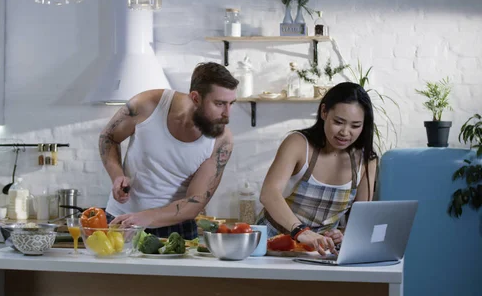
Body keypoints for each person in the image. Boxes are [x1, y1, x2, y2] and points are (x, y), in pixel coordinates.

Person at [98, 62, 238, 240]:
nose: (227, 113)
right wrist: (117, 176)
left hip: (176, 231)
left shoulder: (222, 141)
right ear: (195, 98)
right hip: (122, 222)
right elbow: (108, 137)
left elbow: (195, 201)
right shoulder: (148, 105)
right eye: (219, 104)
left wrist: (144, 218)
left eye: (231, 103)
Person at [256, 82, 378, 256]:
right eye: (338, 122)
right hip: (273, 243)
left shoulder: (366, 160)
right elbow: (269, 194)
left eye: (355, 126)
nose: (345, 132)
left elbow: (360, 219)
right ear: (324, 112)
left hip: (320, 251)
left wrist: (342, 235)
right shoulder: (298, 144)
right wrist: (302, 232)